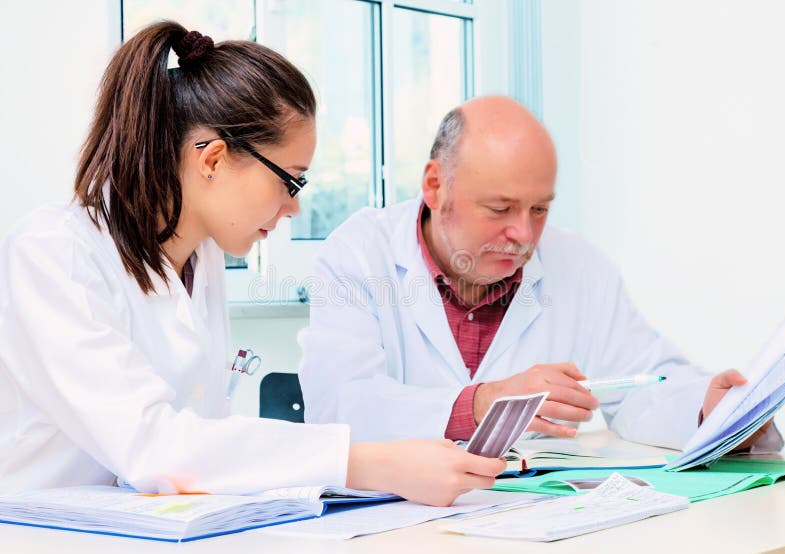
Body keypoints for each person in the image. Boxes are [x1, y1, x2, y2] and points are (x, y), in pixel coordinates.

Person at [0, 22, 505, 504]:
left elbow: (204, 446)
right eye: (291, 180)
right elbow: (153, 445)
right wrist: (367, 463)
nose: (295, 208)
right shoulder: (54, 253)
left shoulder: (202, 254)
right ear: (213, 160)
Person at [299, 95, 778, 452]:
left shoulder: (581, 268)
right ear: (434, 186)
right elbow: (342, 410)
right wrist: (487, 403)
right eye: (500, 208)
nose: (523, 234)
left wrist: (708, 409)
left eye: (540, 209)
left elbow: (641, 387)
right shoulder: (359, 255)